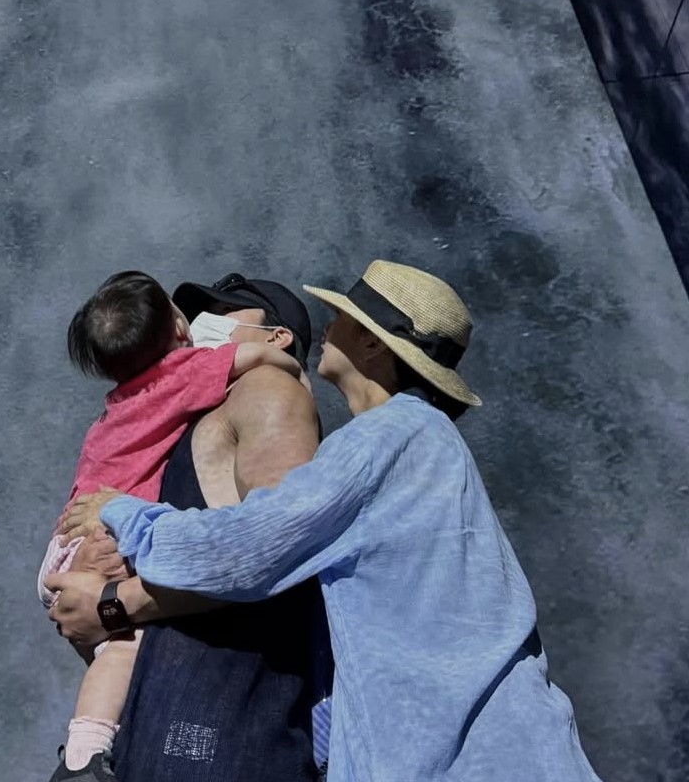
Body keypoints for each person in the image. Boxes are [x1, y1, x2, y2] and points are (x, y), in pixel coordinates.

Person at [64, 259, 604, 782]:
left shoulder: (392, 435)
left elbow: (255, 546)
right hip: (469, 747)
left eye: (344, 317)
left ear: (372, 343)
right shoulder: (412, 444)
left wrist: (123, 518)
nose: (328, 325)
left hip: (477, 752)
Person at [46, 273, 331, 782]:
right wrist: (96, 585)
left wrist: (111, 601)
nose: (201, 324)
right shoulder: (178, 413)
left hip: (221, 739)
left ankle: (82, 755)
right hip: (158, 734)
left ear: (276, 337)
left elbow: (274, 551)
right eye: (194, 314)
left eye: (224, 312)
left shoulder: (270, 389)